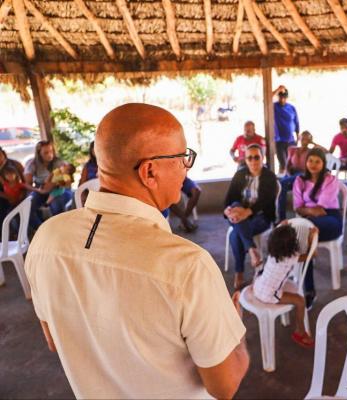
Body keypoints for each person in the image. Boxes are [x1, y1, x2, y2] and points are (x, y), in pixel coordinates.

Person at [24, 103, 249, 399]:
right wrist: (235, 329)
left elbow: (54, 339)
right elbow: (225, 385)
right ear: (150, 171)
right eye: (183, 157)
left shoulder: (45, 240)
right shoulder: (187, 266)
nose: (186, 167)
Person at [293, 148, 342, 309]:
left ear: (323, 164)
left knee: (303, 235)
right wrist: (309, 211)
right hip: (308, 221)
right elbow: (297, 207)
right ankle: (305, 284)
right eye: (310, 161)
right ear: (306, 163)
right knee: (296, 235)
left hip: (331, 219)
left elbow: (321, 209)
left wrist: (306, 210)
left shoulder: (330, 180)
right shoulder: (300, 181)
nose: (313, 165)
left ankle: (308, 290)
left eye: (317, 161)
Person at [252, 224, 316, 348]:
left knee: (269, 277)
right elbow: (312, 254)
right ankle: (300, 332)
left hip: (258, 285)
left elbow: (279, 234)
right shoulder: (291, 257)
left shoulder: (273, 252)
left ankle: (300, 330)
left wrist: (284, 224)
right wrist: (311, 237)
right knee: (300, 301)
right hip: (268, 295)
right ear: (292, 245)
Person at [224, 143, 278, 290]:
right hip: (239, 215)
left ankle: (239, 272)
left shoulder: (269, 177)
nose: (253, 161)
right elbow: (229, 199)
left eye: (256, 157)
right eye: (250, 158)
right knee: (236, 209)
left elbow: (265, 202)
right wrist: (228, 211)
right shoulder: (240, 174)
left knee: (236, 234)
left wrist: (245, 212)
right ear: (245, 160)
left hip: (262, 216)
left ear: (262, 158)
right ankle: (252, 250)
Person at [278, 130, 326, 221]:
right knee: (281, 185)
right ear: (299, 138)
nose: (304, 140)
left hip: (303, 175)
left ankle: (282, 218)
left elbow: (326, 152)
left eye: (307, 139)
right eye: (303, 138)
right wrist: (288, 175)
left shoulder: (311, 151)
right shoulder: (292, 149)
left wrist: (313, 143)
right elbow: (287, 165)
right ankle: (282, 217)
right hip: (291, 175)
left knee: (282, 182)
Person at [24, 141, 71, 229]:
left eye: (51, 151)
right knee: (28, 205)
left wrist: (55, 183)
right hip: (40, 189)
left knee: (56, 204)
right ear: (39, 154)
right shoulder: (32, 164)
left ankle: (60, 229)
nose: (50, 155)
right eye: (46, 153)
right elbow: (27, 184)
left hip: (59, 189)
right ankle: (41, 229)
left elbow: (68, 182)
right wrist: (38, 190)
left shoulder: (59, 162)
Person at [273, 85, 300, 174]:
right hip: (279, 141)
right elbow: (266, 99)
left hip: (291, 141)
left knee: (290, 164)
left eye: (284, 97)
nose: (282, 99)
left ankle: (286, 182)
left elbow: (296, 122)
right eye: (280, 97)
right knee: (283, 163)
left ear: (287, 97)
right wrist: (277, 90)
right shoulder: (274, 106)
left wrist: (297, 136)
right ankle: (280, 181)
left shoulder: (292, 108)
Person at [0, 147, 25, 224]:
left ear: (3, 153)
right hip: (4, 198)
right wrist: (9, 198)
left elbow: (25, 182)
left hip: (20, 194)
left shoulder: (15, 164)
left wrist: (21, 195)